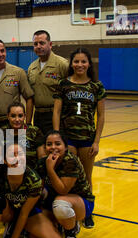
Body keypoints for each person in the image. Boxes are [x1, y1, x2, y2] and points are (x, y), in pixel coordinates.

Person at [52, 47, 106, 228]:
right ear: (71, 63)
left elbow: (101, 116)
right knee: (69, 177)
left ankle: (88, 212)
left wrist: (97, 141)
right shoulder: (63, 84)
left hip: (87, 139)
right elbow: (57, 111)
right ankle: (70, 211)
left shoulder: (96, 86)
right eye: (76, 61)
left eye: (83, 61)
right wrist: (58, 136)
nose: (80, 65)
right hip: (69, 138)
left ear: (89, 64)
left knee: (87, 177)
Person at [35, 130, 95, 238]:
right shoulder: (43, 162)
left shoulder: (70, 161)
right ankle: (68, 222)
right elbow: (37, 188)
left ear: (65, 146)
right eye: (49, 144)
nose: (53, 148)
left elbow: (63, 190)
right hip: (56, 200)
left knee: (61, 204)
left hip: (82, 203)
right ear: (44, 147)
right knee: (39, 214)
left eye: (58, 144)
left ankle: (71, 237)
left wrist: (50, 169)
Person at [0, 39, 34, 129]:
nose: (0, 54)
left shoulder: (18, 73)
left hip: (14, 124)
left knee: (15, 144)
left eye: (2, 51)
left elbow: (29, 98)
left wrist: (27, 124)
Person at [27, 30, 68, 135]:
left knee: (55, 149)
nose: (38, 46)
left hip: (57, 116)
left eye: (42, 43)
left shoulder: (62, 64)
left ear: (50, 44)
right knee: (39, 149)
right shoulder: (32, 68)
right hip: (38, 117)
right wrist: (28, 122)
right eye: (35, 44)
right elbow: (30, 97)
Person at [0, 103, 46, 169]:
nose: (17, 120)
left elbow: (41, 156)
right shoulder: (1, 133)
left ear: (24, 116)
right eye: (13, 116)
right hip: (8, 172)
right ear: (8, 116)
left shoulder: (34, 131)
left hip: (31, 172)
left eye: (20, 116)